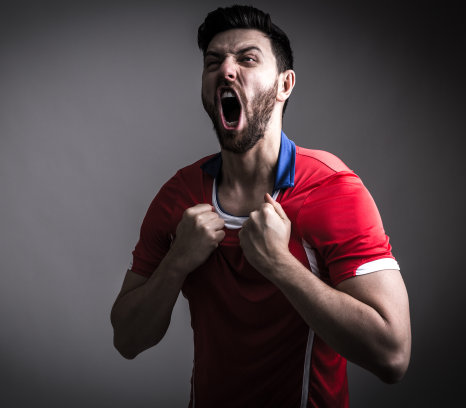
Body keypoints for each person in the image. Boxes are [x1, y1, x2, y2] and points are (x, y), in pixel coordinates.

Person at [110, 5, 411, 407]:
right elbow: (127, 339)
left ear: (285, 84)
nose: (226, 70)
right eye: (213, 62)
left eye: (247, 59)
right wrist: (177, 261)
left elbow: (392, 355)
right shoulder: (179, 195)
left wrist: (280, 264)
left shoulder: (331, 189)